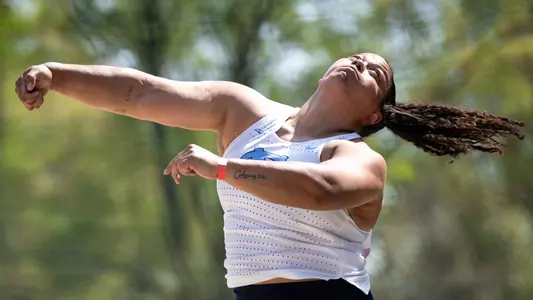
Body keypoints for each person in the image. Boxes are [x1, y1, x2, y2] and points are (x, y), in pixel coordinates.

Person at [14, 53, 524, 300]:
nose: (360, 62)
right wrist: (58, 75)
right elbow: (141, 93)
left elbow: (320, 191)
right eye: (357, 57)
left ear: (374, 115)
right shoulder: (242, 111)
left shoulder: (356, 157)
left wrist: (222, 168)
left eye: (375, 74)